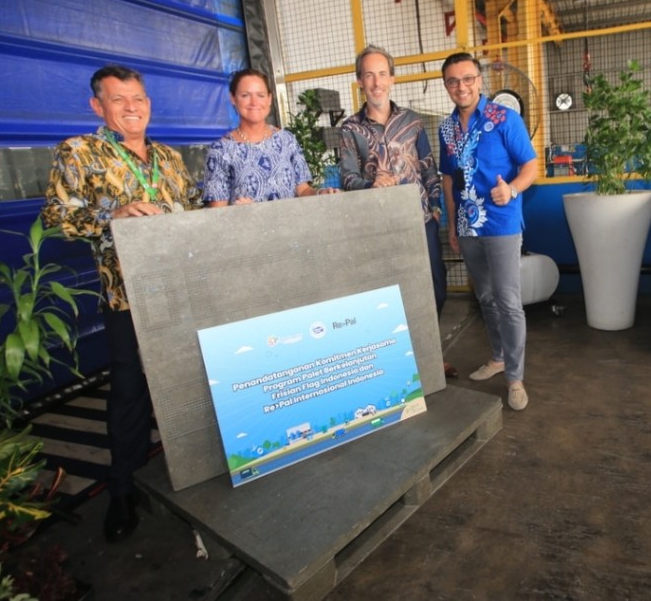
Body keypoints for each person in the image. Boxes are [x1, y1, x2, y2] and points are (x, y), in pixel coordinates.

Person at [41, 64, 202, 542]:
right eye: (118, 100)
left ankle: (197, 476)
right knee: (129, 392)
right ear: (98, 106)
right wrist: (114, 214)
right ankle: (124, 489)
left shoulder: (169, 157)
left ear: (148, 104)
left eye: (138, 99)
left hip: (181, 293)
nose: (132, 108)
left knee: (189, 383)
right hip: (125, 297)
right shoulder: (79, 152)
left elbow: (194, 208)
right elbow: (55, 216)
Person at [339, 45, 456, 378]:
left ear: (392, 78)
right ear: (359, 81)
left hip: (420, 220)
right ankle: (399, 364)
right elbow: (347, 178)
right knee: (388, 294)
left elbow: (428, 166)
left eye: (382, 74)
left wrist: (436, 207)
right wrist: (371, 184)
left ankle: (429, 355)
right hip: (376, 227)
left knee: (435, 287)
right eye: (369, 75)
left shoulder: (412, 121)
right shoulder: (350, 129)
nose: (377, 82)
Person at [438, 52, 538, 410]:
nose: (461, 86)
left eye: (467, 78)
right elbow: (448, 179)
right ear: (446, 86)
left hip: (501, 223)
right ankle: (497, 357)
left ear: (479, 80)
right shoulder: (446, 129)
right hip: (467, 227)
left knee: (509, 301)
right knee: (485, 297)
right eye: (453, 81)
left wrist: (511, 189)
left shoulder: (504, 118)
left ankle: (515, 378)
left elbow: (531, 166)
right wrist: (452, 224)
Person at [201, 69, 335, 206]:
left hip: (291, 220)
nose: (254, 102)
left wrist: (320, 194)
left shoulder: (287, 140)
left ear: (269, 99)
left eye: (260, 95)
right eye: (245, 95)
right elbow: (218, 211)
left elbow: (303, 190)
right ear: (233, 98)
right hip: (247, 221)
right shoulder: (220, 150)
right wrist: (241, 212)